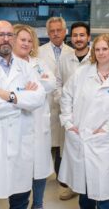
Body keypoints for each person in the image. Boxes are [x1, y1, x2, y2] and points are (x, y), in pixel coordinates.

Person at [0, 20, 45, 209]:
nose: (5, 39)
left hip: (21, 140)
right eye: (0, 35)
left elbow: (39, 99)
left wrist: (9, 96)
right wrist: (23, 100)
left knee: (20, 198)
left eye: (9, 35)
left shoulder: (26, 67)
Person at [59, 33, 109, 209]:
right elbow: (66, 96)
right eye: (97, 49)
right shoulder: (82, 73)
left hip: (103, 141)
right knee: (84, 187)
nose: (101, 53)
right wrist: (68, 123)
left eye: (105, 49)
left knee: (104, 190)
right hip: (79, 136)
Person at [13, 24, 55, 209]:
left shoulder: (39, 63)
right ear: (13, 40)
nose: (27, 43)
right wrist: (29, 89)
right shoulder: (8, 63)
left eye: (30, 41)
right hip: (17, 123)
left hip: (39, 123)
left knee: (40, 167)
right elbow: (12, 91)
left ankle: (38, 204)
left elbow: (51, 83)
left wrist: (29, 87)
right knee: (19, 169)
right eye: (23, 39)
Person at [37, 17, 75, 200]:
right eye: (52, 31)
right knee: (46, 142)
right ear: (47, 32)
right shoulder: (39, 52)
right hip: (45, 103)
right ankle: (43, 176)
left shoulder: (72, 52)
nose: (55, 33)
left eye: (59, 30)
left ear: (65, 31)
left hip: (66, 105)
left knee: (64, 144)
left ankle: (64, 179)